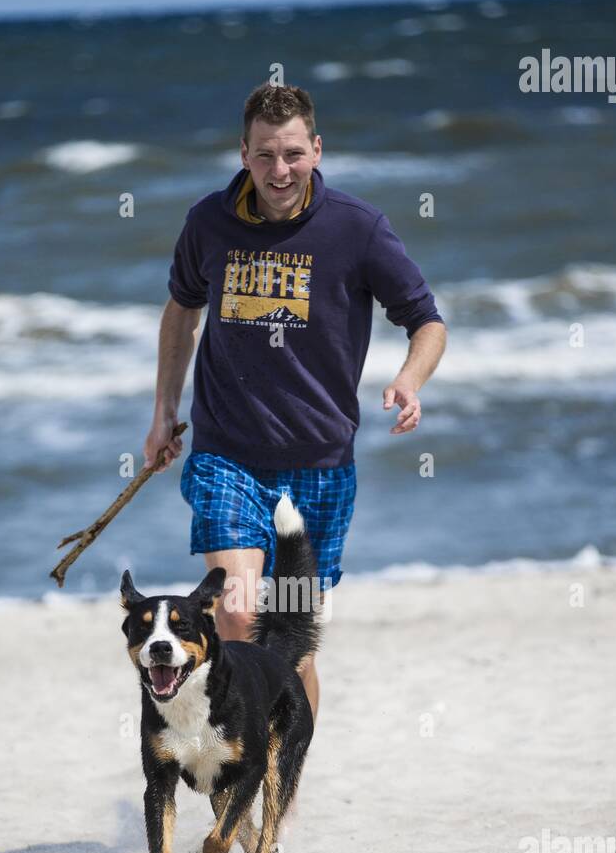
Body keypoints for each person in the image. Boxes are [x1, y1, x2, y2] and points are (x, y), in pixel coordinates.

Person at [143, 82, 446, 726]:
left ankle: (281, 789)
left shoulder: (357, 230)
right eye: (263, 156)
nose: (279, 172)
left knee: (293, 644)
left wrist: (410, 380)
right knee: (236, 612)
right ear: (243, 154)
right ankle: (240, 772)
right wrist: (163, 410)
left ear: (315, 148)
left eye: (291, 155)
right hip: (227, 454)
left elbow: (426, 321)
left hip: (321, 467)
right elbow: (181, 311)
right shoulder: (208, 222)